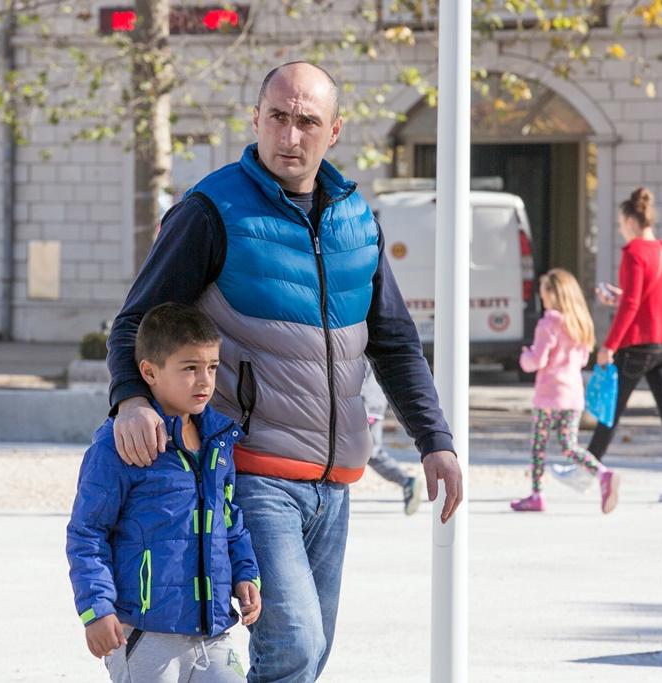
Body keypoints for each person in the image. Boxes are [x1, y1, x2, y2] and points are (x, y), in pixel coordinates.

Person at [105, 61, 462, 682]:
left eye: (307, 122)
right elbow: (137, 320)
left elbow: (396, 342)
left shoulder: (357, 220)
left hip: (334, 481)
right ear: (256, 119)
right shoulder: (212, 210)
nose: (289, 136)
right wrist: (131, 399)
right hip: (249, 471)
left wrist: (435, 439)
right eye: (277, 117)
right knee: (293, 643)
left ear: (334, 131)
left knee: (310, 654)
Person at [67, 303, 262, 682]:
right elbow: (87, 532)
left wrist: (245, 574)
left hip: (213, 631)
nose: (204, 381)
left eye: (212, 367)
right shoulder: (119, 445)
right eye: (189, 368)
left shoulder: (219, 442)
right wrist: (96, 609)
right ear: (149, 372)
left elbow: (229, 521)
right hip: (144, 635)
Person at [590, 187, 662, 503]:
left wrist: (609, 345)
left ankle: (587, 467)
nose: (621, 230)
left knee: (611, 408)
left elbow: (633, 304)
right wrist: (621, 299)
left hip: (636, 346)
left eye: (621, 224)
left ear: (631, 222)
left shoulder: (634, 252)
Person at [511, 269, 620, 514]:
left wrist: (525, 356)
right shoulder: (579, 323)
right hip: (572, 396)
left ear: (553, 294)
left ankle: (537, 494)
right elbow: (583, 360)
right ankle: (603, 473)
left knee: (538, 446)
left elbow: (537, 360)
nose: (542, 299)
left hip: (548, 395)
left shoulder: (548, 323)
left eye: (543, 294)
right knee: (569, 446)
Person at [360, 363, 424, 515]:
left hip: (366, 406)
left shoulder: (361, 351)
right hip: (373, 405)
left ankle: (406, 481)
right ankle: (406, 481)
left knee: (371, 454)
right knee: (371, 453)